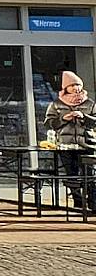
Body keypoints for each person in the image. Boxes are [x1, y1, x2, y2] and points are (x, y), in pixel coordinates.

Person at [44, 71, 93, 213]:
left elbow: (95, 121)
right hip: (66, 145)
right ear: (66, 87)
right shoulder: (56, 104)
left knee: (89, 175)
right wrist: (63, 119)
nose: (76, 88)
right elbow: (48, 123)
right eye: (72, 85)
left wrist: (84, 117)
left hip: (86, 144)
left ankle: (93, 204)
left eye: (78, 85)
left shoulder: (89, 103)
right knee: (71, 174)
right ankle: (78, 203)